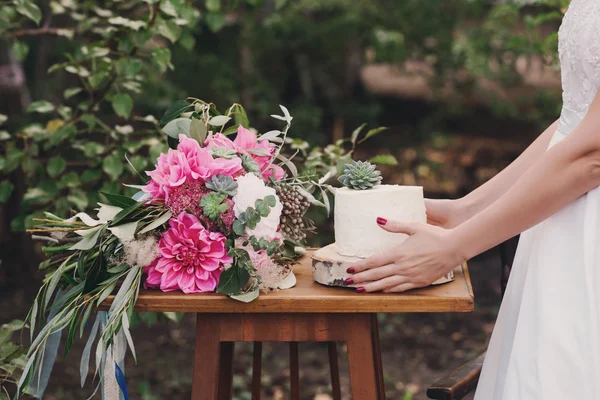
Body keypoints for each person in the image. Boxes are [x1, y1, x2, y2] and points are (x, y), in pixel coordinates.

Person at [344, 0, 600, 398]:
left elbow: (593, 155)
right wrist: (465, 211)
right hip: (563, 220)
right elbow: (575, 123)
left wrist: (458, 246)